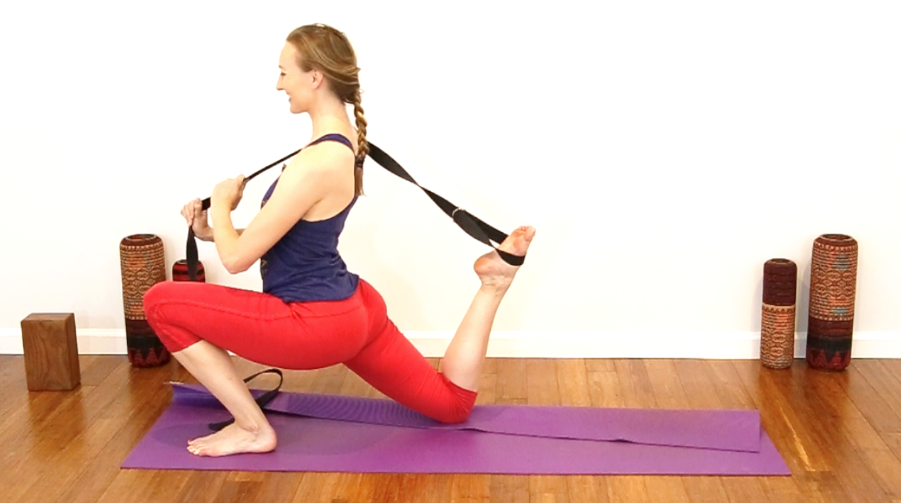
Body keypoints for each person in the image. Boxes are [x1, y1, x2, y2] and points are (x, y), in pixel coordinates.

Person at [142, 23, 536, 458]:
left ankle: (253, 429)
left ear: (315, 77)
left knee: (161, 301)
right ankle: (493, 285)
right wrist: (213, 232)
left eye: (284, 72)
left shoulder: (318, 161)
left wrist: (221, 200)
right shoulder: (339, 144)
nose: (278, 84)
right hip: (356, 311)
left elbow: (236, 261)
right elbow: (293, 238)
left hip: (313, 323)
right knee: (452, 405)